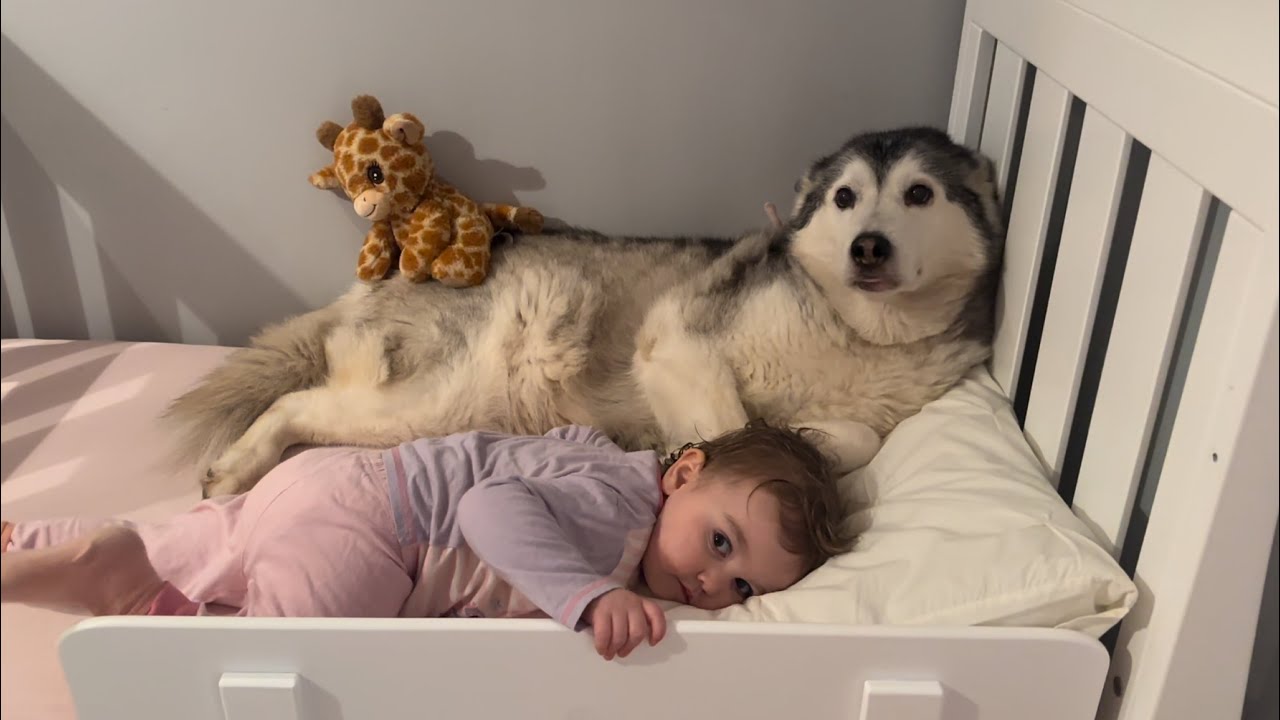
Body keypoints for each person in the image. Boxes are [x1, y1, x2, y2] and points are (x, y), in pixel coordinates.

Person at [1, 421, 853, 660]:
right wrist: (589, 596)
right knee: (280, 655)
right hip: (379, 531)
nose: (714, 583)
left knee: (212, 541)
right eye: (719, 542)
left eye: (744, 588)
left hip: (327, 487)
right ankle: (137, 602)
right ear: (682, 473)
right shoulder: (616, 511)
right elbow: (486, 510)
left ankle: (56, 545)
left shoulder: (602, 464)